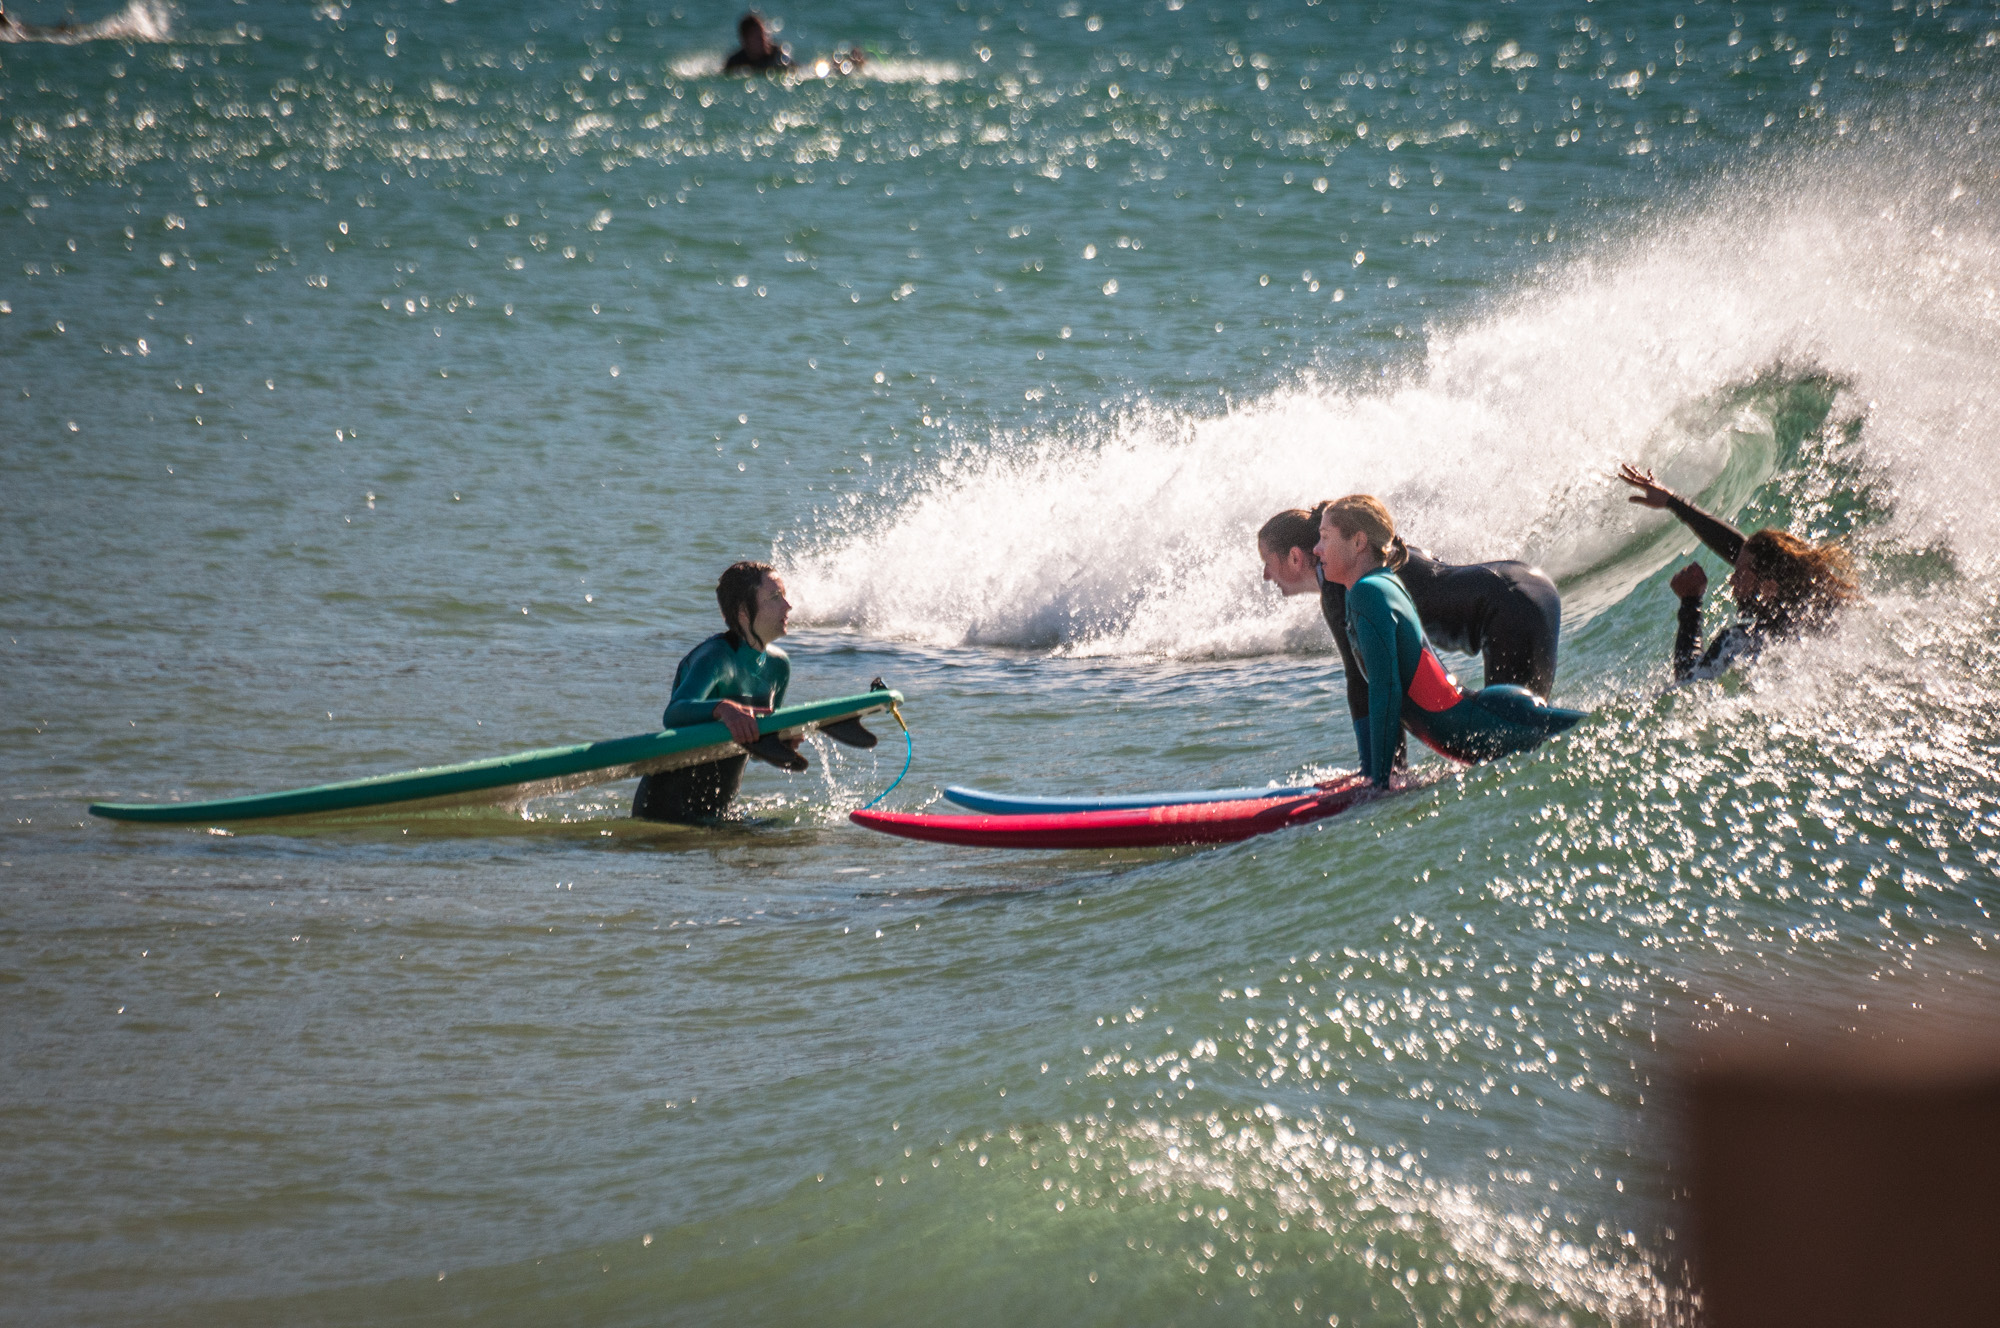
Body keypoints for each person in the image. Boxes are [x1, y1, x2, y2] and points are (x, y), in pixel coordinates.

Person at [1258, 503, 1564, 773]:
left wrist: (1380, 775)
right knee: (1521, 746)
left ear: (1295, 557)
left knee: (1512, 751)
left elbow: (1364, 682)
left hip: (1509, 607)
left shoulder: (1344, 588)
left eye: (1268, 563)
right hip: (1522, 586)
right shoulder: (1365, 559)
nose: (1266, 576)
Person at [1616, 464, 1860, 682]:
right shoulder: (1823, 614)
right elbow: (1741, 551)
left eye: (1741, 575)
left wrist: (1691, 603)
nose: (1732, 579)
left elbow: (1688, 680)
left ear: (1769, 588)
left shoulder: (1742, 642)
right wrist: (1673, 502)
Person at [632, 561, 803, 822]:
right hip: (664, 809)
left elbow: (753, 749)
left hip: (718, 811)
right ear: (744, 611)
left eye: (785, 596)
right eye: (774, 597)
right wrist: (723, 708)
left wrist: (777, 744)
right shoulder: (716, 657)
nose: (787, 606)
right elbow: (674, 713)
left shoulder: (779, 667)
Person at [723, 12, 794, 74]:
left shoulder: (778, 58)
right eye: (758, 37)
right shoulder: (735, 62)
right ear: (745, 41)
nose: (763, 40)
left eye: (765, 35)